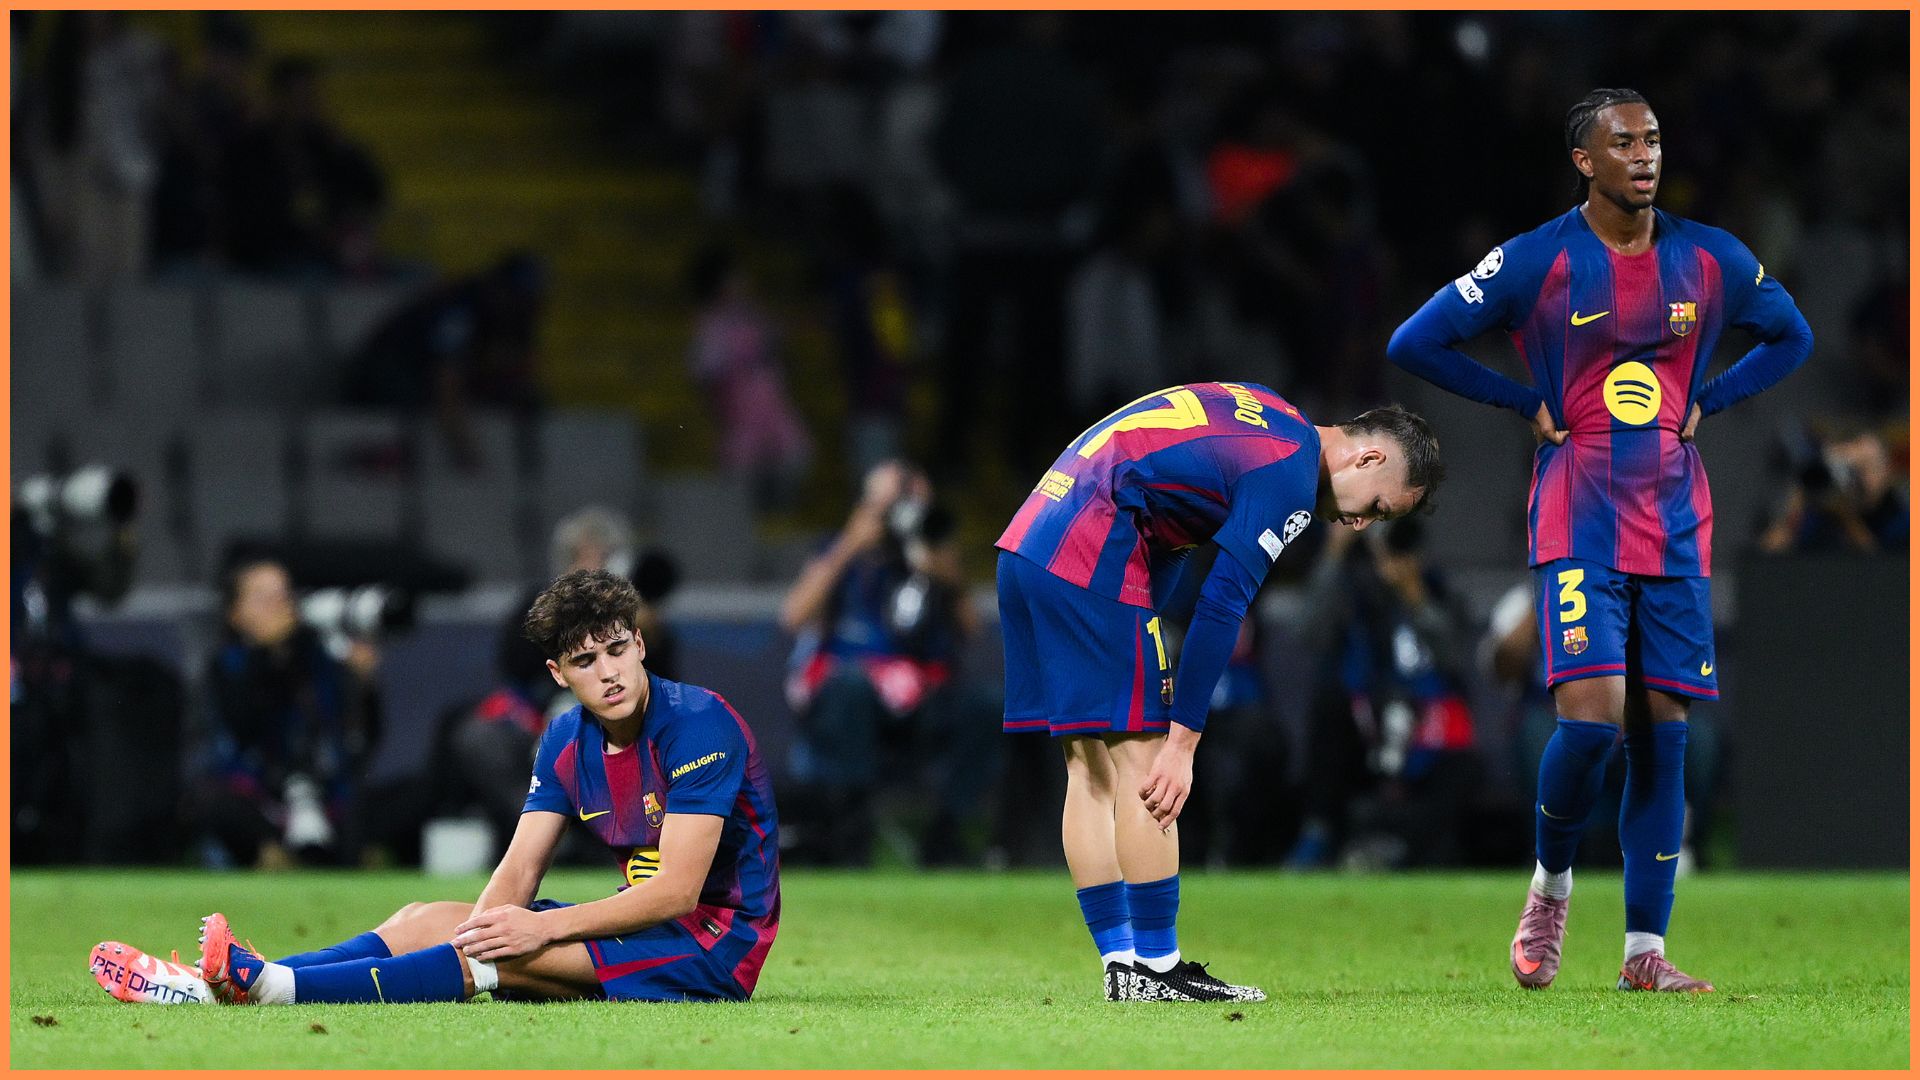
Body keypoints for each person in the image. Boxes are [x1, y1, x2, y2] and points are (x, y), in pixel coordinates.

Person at [1386, 88, 1814, 993]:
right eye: (1623, 143)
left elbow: (1792, 335)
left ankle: (1643, 955)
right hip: (1578, 510)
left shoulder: (1712, 259)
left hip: (1675, 521)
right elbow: (1415, 340)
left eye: (1653, 139)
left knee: (1664, 735)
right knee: (1588, 729)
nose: (1644, 155)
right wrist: (1522, 402)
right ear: (1584, 160)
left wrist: (1713, 399)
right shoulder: (1536, 260)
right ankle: (1550, 886)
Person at [91, 569, 780, 1006]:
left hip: (712, 945)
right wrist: (478, 929)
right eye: (585, 659)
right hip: (643, 923)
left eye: (617, 649)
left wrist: (527, 931)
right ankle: (227, 985)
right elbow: (519, 866)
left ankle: (269, 987)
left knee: (502, 961)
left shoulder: (697, 724)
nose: (609, 672)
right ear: (557, 673)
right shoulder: (566, 740)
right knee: (427, 917)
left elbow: (678, 892)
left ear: (639, 642)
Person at [996, 382, 1441, 1002]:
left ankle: (1123, 966)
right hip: (1092, 549)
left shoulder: (1271, 411)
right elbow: (1223, 602)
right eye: (1380, 507)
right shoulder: (1289, 479)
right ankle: (1156, 966)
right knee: (1145, 760)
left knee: (1088, 767)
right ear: (1367, 461)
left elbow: (1166, 501)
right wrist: (1183, 742)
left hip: (1031, 539)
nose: (1362, 521)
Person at [778, 461, 994, 866]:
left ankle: (947, 833)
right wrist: (850, 546)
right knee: (852, 689)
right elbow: (794, 616)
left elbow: (972, 628)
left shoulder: (928, 556)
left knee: (984, 704)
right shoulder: (838, 551)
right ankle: (850, 833)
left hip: (922, 699)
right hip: (853, 696)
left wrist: (942, 565)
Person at [190, 555, 372, 870]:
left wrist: (364, 686)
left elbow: (361, 743)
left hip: (324, 799)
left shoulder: (320, 661)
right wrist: (267, 656)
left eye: (284, 594)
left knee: (390, 799)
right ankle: (274, 854)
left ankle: (334, 857)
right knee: (207, 800)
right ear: (235, 614)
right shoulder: (225, 667)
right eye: (263, 597)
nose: (278, 605)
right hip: (260, 799)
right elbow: (244, 726)